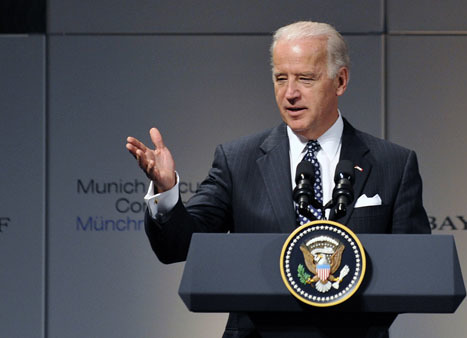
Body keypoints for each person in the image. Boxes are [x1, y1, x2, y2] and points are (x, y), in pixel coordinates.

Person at [126, 21, 430, 338]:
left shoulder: (393, 163)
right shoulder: (237, 160)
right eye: (280, 78)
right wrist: (166, 191)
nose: (290, 94)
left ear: (340, 81)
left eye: (305, 79)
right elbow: (177, 245)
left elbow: (415, 270)